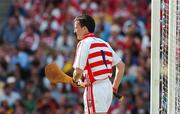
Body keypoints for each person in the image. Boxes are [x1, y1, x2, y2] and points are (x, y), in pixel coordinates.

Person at [72, 14, 125, 114]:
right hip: (107, 87)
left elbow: (78, 71)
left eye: (76, 28)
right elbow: (121, 66)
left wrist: (75, 80)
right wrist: (114, 87)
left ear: (84, 29)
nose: (74, 31)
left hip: (95, 89)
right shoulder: (104, 43)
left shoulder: (83, 43)